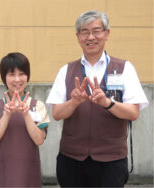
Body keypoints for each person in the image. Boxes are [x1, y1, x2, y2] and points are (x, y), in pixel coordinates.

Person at [46, 10, 149, 187]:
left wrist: (107, 103)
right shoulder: (66, 70)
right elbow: (56, 113)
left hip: (111, 161)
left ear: (107, 33)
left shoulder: (124, 68)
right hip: (72, 159)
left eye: (96, 30)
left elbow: (133, 112)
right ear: (78, 36)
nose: (91, 37)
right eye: (84, 31)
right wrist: (74, 102)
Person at [0, 52, 50, 187]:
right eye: (12, 74)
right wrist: (7, 114)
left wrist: (26, 114)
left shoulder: (38, 106)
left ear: (27, 76)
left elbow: (39, 139)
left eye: (22, 74)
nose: (17, 79)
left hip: (29, 172)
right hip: (3, 173)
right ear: (4, 78)